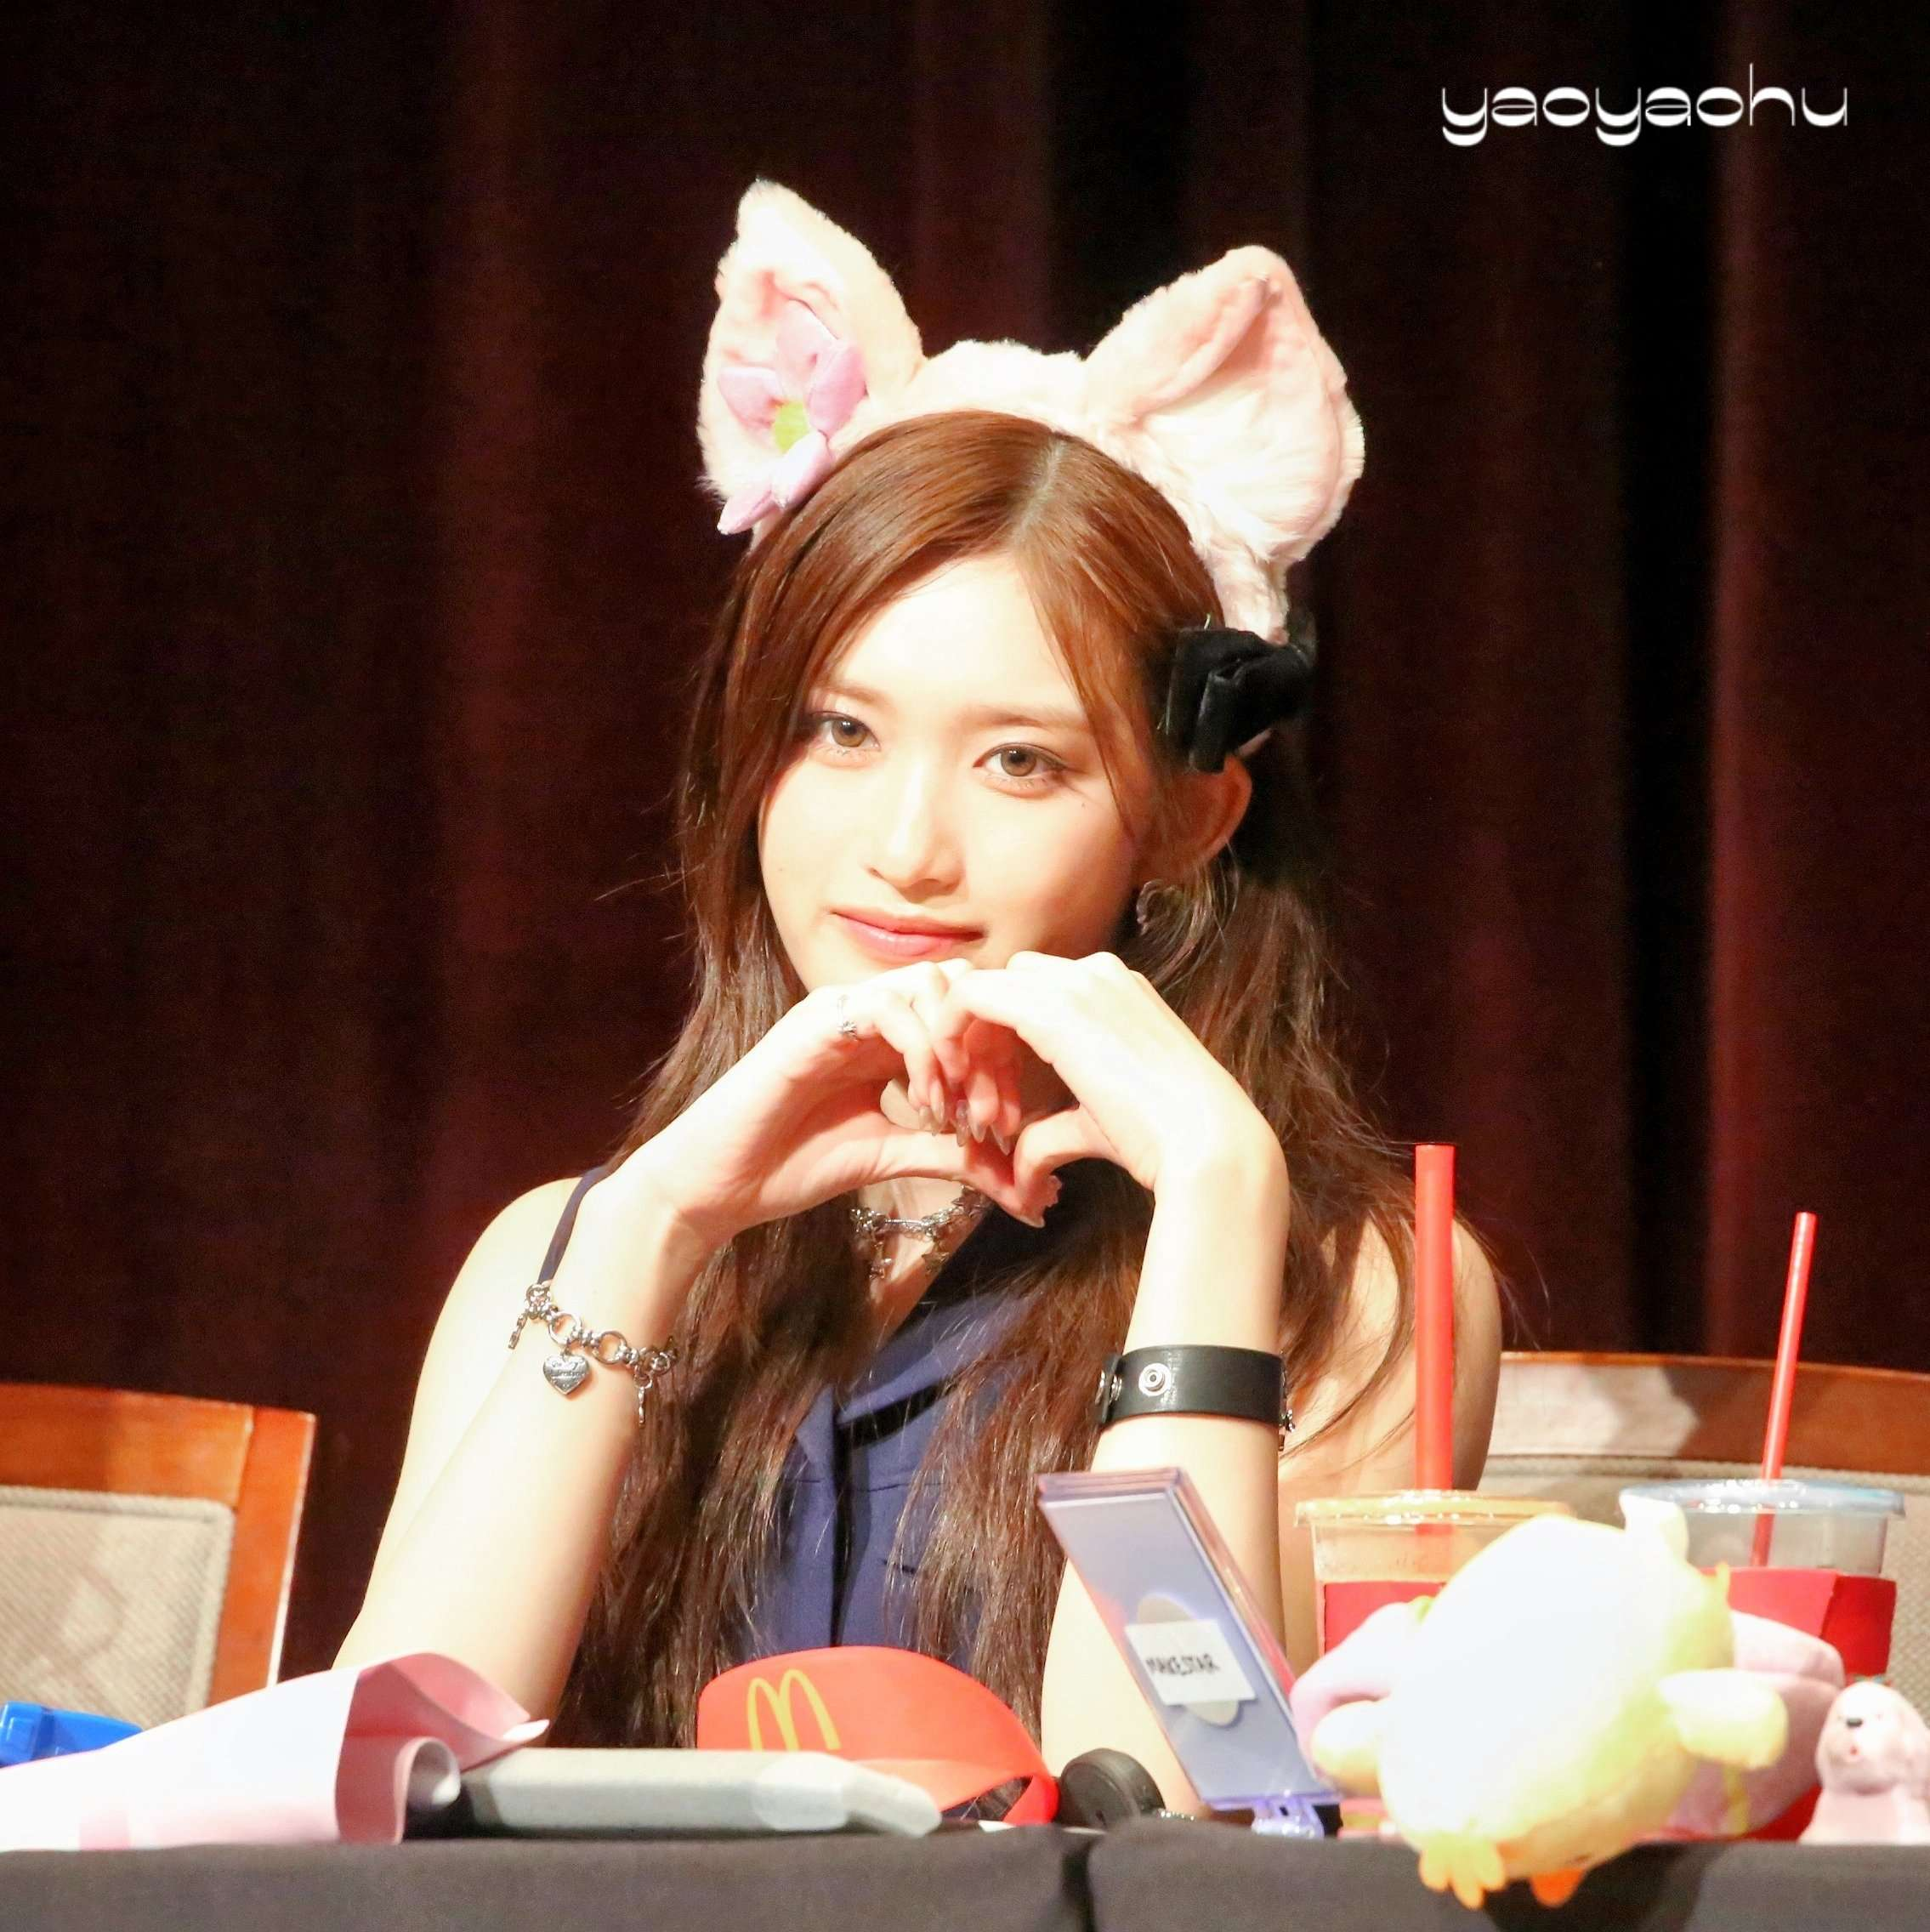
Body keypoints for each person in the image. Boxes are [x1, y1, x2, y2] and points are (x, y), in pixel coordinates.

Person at [335, 180, 1503, 1813]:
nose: (903, 849)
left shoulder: (1346, 1281)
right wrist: (649, 1228)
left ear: (1184, 820)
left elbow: (1173, 1817)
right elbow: (377, 1796)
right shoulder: (563, 1249)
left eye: (1019, 762)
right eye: (839, 732)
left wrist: (1215, 1200)